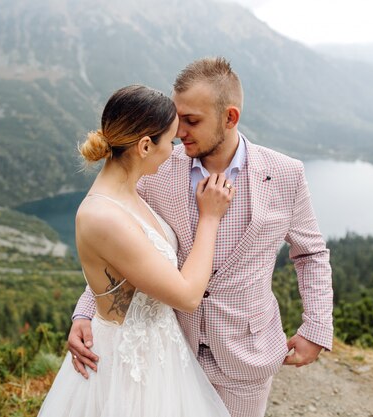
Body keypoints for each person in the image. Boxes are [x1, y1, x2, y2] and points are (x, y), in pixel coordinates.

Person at [69, 57, 334, 417]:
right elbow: (122, 251)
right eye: (178, 120)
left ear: (230, 118)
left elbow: (311, 254)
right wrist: (85, 313)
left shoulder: (285, 174)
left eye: (192, 121)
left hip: (246, 358)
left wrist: (316, 327)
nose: (179, 132)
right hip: (169, 353)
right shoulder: (155, 170)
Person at [37, 84, 235, 416]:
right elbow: (186, 296)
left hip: (161, 350)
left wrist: (84, 312)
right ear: (145, 145)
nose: (175, 150)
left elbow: (120, 274)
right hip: (128, 365)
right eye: (169, 142)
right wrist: (210, 218)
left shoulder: (131, 191)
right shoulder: (102, 216)